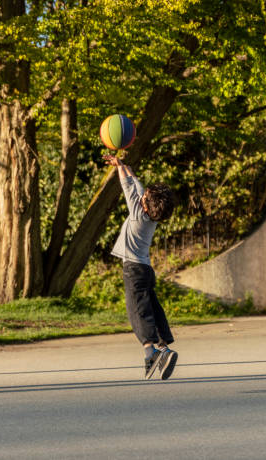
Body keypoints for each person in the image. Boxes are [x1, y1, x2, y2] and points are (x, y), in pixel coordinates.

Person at [104, 154, 178, 380]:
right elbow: (136, 183)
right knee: (152, 307)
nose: (142, 193)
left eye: (144, 196)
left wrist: (119, 168)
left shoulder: (137, 215)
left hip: (133, 270)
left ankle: (150, 352)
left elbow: (128, 185)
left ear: (145, 206)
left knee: (137, 310)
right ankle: (164, 347)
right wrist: (123, 164)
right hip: (146, 269)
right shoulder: (151, 216)